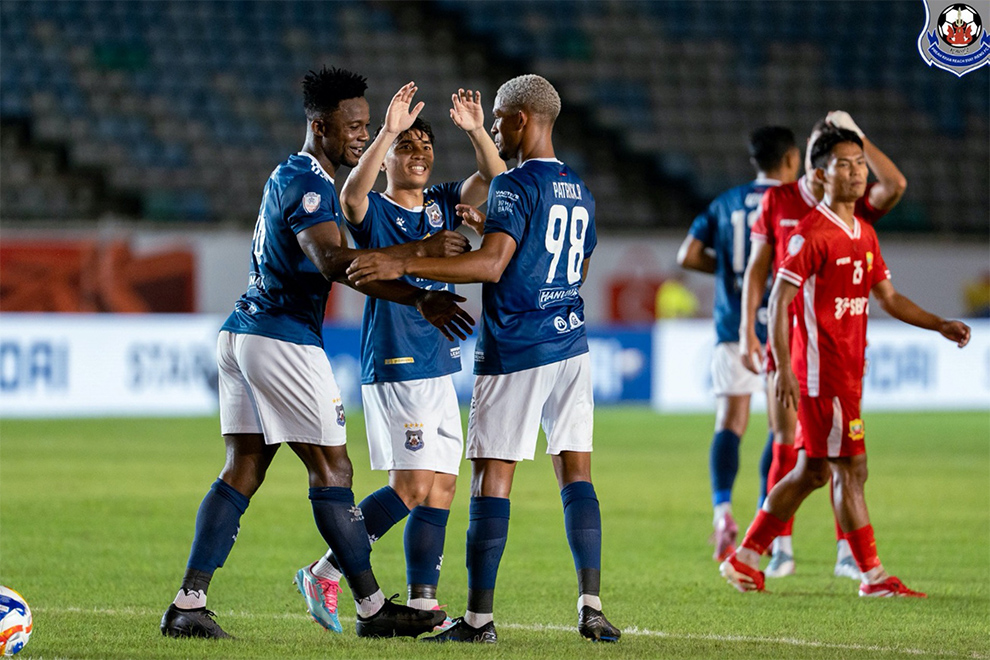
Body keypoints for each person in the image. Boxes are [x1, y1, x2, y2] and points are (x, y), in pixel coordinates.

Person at [159, 67, 475, 640]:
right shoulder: (308, 180)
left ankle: (188, 602)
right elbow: (337, 264)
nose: (360, 133)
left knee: (243, 470)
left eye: (364, 123)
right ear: (318, 125)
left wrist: (419, 296)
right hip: (282, 337)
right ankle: (373, 608)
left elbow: (353, 266)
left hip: (246, 332)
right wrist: (421, 261)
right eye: (351, 125)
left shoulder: (303, 176)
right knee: (334, 471)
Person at [346, 74, 621, 644]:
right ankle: (591, 604)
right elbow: (579, 267)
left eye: (498, 117)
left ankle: (476, 621)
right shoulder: (579, 188)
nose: (493, 125)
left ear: (520, 119)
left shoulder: (515, 186)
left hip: (518, 347)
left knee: (489, 479)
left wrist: (400, 265)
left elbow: (492, 266)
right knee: (576, 472)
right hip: (572, 344)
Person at [720, 128, 970, 598]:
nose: (857, 172)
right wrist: (788, 370)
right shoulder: (810, 235)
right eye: (844, 164)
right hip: (821, 374)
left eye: (859, 163)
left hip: (847, 372)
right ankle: (872, 576)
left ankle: (746, 558)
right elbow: (778, 302)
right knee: (851, 468)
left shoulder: (865, 234)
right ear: (819, 174)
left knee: (814, 471)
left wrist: (939, 324)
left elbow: (889, 298)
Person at [292, 83, 504, 633]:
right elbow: (350, 199)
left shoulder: (442, 202)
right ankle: (326, 569)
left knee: (441, 485)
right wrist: (386, 130)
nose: (418, 153)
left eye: (425, 146)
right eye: (406, 147)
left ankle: (424, 601)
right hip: (394, 360)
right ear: (384, 158)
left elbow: (495, 176)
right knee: (409, 484)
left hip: (437, 360)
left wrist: (477, 130)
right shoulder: (374, 208)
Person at [739, 111, 907, 579]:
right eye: (833, 149)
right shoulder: (781, 201)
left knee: (828, 460)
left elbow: (894, 185)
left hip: (835, 351)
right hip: (790, 346)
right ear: (812, 161)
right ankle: (780, 549)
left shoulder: (852, 209)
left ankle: (844, 554)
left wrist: (860, 136)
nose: (851, 166)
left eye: (853, 156)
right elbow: (759, 270)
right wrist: (744, 331)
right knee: (792, 446)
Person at [676, 126, 801, 562]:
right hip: (782, 330)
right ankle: (770, 522)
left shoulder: (726, 202)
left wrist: (732, 275)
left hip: (733, 326)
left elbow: (687, 255)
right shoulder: (795, 203)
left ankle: (722, 507)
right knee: (781, 429)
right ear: (790, 159)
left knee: (730, 421)